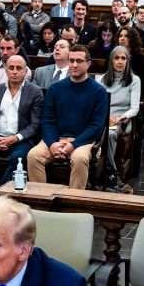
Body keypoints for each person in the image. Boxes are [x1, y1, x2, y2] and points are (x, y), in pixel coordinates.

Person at [27, 45, 109, 190]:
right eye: (71, 61)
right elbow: (47, 120)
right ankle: (40, 201)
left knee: (79, 159)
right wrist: (52, 143)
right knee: (33, 156)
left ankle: (74, 204)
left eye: (79, 61)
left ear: (88, 64)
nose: (74, 65)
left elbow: (96, 126)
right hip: (56, 138)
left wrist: (73, 145)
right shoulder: (55, 88)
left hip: (84, 141)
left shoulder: (99, 91)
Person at [0, 56, 43, 193]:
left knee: (17, 160)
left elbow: (35, 125)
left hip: (21, 139)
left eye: (19, 68)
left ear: (25, 71)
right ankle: (0, 194)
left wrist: (15, 138)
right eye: (11, 68)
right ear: (6, 70)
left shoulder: (35, 92)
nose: (14, 72)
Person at [97, 46, 141, 188]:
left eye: (123, 58)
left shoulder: (134, 80)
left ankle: (112, 171)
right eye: (116, 58)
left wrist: (120, 117)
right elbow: (97, 104)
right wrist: (106, 117)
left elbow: (134, 108)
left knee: (109, 134)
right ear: (111, 61)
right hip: (104, 117)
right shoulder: (102, 79)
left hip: (122, 119)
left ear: (128, 61)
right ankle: (97, 169)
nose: (120, 61)